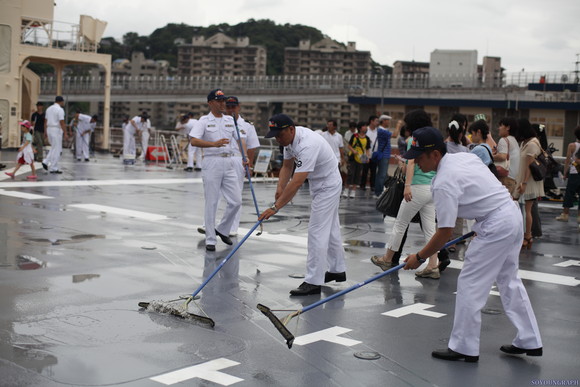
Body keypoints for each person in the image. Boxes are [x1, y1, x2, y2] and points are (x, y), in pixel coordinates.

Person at [402, 126, 543, 363]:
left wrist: (419, 256)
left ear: (435, 155)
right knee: (509, 281)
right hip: (508, 214)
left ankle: (464, 347)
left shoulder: (443, 182)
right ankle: (529, 339)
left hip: (495, 223)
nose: (415, 162)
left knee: (470, 284)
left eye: (419, 157)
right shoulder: (464, 157)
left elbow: (444, 232)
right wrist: (484, 217)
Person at [258, 114, 346, 295]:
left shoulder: (307, 144)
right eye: (274, 135)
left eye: (279, 134)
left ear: (291, 129)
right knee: (330, 228)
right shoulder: (289, 141)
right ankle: (337, 269)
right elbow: (287, 167)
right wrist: (279, 188)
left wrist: (276, 207)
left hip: (328, 185)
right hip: (319, 183)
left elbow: (297, 182)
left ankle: (313, 281)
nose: (277, 139)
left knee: (317, 231)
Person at [370, 109, 441, 279]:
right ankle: (433, 265)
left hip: (416, 187)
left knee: (400, 224)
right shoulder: (436, 138)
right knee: (430, 230)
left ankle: (387, 258)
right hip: (432, 189)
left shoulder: (414, 139)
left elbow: (410, 164)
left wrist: (407, 186)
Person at [189, 89, 244, 252]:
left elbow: (240, 139)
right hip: (212, 161)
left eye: (223, 101)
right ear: (210, 103)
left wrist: (245, 156)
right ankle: (211, 239)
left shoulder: (229, 120)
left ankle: (222, 229)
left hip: (229, 162)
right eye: (219, 101)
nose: (222, 104)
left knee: (236, 201)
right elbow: (193, 141)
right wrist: (213, 144)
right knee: (212, 202)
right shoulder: (204, 121)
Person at [225, 95, 257, 236]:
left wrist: (248, 165)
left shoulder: (247, 126)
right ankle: (218, 224)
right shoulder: (221, 122)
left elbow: (252, 147)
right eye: (228, 107)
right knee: (219, 194)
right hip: (222, 159)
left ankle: (233, 227)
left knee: (236, 194)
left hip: (238, 159)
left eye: (233, 106)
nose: (231, 109)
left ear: (238, 107)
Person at [513, 118, 544, 249]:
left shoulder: (532, 143)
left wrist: (524, 183)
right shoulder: (525, 142)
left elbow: (530, 166)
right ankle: (523, 235)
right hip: (521, 180)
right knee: (519, 208)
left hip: (528, 182)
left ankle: (528, 236)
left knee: (527, 210)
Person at [555, 126, 580, 224]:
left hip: (574, 172)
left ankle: (565, 214)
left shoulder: (572, 145)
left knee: (569, 193)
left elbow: (567, 160)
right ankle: (579, 217)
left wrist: (565, 173)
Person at [374, 115, 401, 197]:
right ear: (383, 121)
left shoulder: (383, 130)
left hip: (384, 154)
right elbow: (395, 135)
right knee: (382, 174)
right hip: (383, 155)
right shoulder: (381, 130)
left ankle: (379, 191)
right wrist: (398, 125)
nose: (389, 122)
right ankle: (379, 192)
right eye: (387, 120)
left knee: (382, 174)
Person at [493, 117, 520, 196]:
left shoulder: (504, 140)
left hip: (504, 179)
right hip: (512, 180)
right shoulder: (514, 141)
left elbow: (502, 156)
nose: (499, 128)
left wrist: (490, 156)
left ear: (508, 127)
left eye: (501, 125)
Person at [344, 121, 371, 198]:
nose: (365, 127)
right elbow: (349, 146)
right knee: (350, 173)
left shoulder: (367, 138)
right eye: (364, 126)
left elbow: (367, 149)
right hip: (353, 157)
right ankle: (346, 189)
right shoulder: (354, 136)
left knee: (357, 174)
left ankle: (353, 190)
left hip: (361, 158)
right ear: (360, 128)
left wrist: (367, 157)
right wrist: (353, 151)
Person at [42, 96, 69, 174]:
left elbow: (45, 121)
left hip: (49, 129)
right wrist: (65, 133)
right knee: (57, 149)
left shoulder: (48, 109)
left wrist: (45, 131)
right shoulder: (60, 110)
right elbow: (62, 122)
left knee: (54, 147)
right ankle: (53, 167)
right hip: (56, 129)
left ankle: (46, 161)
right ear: (61, 101)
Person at [360, 115, 379, 191]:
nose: (377, 122)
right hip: (364, 154)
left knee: (373, 171)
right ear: (371, 121)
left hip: (374, 154)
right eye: (376, 121)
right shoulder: (365, 130)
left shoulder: (378, 131)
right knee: (364, 170)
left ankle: (372, 186)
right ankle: (362, 185)